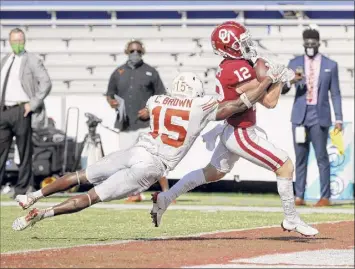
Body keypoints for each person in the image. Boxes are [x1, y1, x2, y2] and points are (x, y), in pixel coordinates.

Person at [11, 68, 285, 231]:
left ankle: (32, 196)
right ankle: (44, 215)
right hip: (152, 165)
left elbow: (145, 113)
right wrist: (267, 81)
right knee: (91, 197)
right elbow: (239, 105)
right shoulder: (200, 106)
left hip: (136, 150)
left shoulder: (157, 100)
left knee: (80, 175)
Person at [150, 21, 318, 237]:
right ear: (228, 47)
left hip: (232, 128)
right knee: (284, 166)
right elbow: (269, 101)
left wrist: (276, 80)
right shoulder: (237, 68)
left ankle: (165, 198)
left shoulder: (231, 65)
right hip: (241, 132)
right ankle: (291, 219)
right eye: (241, 43)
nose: (246, 45)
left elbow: (261, 89)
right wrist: (275, 79)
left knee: (211, 173)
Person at [281, 27, 343, 207]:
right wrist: (291, 80)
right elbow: (283, 89)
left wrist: (338, 118)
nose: (310, 45)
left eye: (313, 43)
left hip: (319, 115)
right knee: (300, 158)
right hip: (300, 116)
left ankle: (325, 196)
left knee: (322, 157)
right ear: (303, 43)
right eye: (307, 42)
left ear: (318, 43)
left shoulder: (330, 65)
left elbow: (336, 93)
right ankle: (299, 196)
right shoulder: (294, 63)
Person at [105, 39, 169, 202]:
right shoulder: (118, 72)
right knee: (128, 161)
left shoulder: (151, 72)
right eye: (132, 51)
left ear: (142, 52)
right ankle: (134, 194)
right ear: (127, 52)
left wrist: (150, 110)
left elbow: (162, 97)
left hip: (146, 125)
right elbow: (110, 94)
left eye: (138, 51)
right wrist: (112, 102)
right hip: (126, 124)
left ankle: (167, 192)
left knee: (155, 158)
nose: (135, 54)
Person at [0, 28, 52, 197]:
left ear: (25, 41)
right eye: (14, 41)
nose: (17, 44)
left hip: (22, 110)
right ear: (9, 42)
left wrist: (33, 103)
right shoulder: (5, 59)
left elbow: (46, 83)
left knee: (24, 152)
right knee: (1, 152)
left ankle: (22, 188)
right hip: (3, 110)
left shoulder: (32, 60)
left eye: (20, 41)